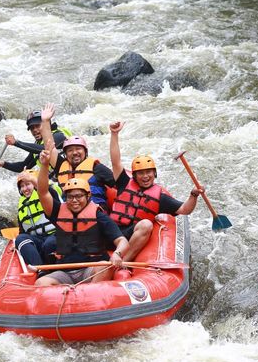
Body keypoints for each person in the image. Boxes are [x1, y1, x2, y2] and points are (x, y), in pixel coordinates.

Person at [107, 121, 203, 262]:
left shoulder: (160, 198)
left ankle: (125, 262)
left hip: (129, 237)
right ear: (134, 176)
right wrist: (114, 134)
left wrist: (194, 194)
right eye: (141, 173)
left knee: (146, 224)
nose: (145, 176)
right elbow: (116, 161)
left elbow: (185, 209)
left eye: (149, 172)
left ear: (155, 174)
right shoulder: (124, 182)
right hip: (111, 232)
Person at [34, 148, 127, 286]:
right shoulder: (58, 211)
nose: (74, 200)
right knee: (41, 283)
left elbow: (122, 240)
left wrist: (118, 253)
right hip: (65, 272)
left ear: (88, 196)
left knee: (104, 265)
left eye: (79, 196)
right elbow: (42, 192)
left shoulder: (98, 215)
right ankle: (69, 294)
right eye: (70, 196)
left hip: (91, 269)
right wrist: (45, 165)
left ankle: (87, 295)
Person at [39, 104, 115, 211]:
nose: (74, 152)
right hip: (70, 216)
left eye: (78, 149)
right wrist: (46, 122)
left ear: (85, 152)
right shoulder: (61, 166)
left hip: (95, 216)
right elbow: (49, 145)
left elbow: (120, 183)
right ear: (65, 154)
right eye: (70, 150)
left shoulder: (97, 168)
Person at [0, 109, 72, 174]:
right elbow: (23, 166)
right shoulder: (36, 146)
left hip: (72, 173)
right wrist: (3, 164)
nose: (35, 130)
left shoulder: (59, 134)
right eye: (32, 128)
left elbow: (46, 148)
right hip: (58, 178)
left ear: (47, 124)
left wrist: (16, 143)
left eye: (37, 126)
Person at [14, 170, 63, 266]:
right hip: (38, 239)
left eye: (28, 184)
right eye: (22, 186)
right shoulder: (22, 205)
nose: (25, 189)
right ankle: (40, 269)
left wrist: (35, 180)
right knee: (20, 239)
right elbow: (22, 231)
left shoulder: (47, 194)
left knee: (49, 244)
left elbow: (45, 190)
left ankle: (53, 268)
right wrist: (19, 245)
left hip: (55, 235)